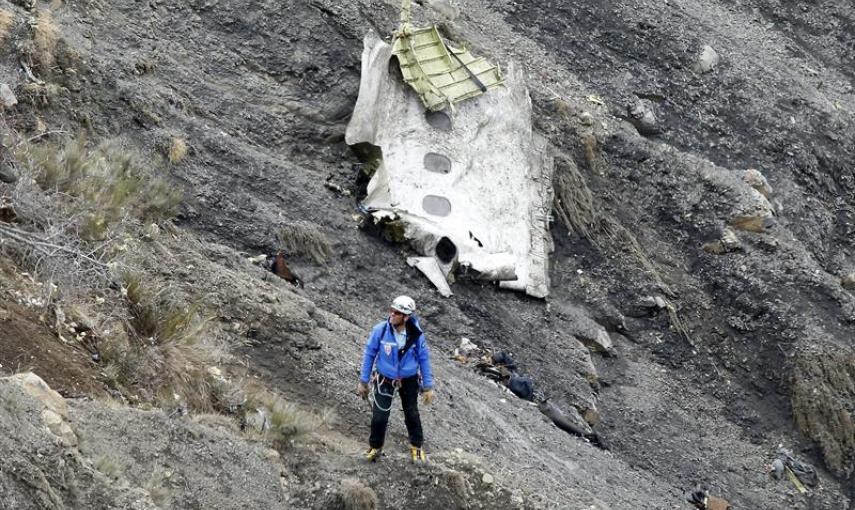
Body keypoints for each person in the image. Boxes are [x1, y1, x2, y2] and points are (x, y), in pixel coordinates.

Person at [357, 295, 434, 462]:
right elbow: (370, 354)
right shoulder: (381, 330)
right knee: (380, 416)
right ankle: (375, 447)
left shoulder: (416, 335)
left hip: (409, 379)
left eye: (396, 312)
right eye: (391, 310)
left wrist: (428, 386)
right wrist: (363, 382)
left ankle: (416, 447)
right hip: (385, 378)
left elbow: (423, 359)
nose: (391, 314)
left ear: (406, 317)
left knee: (411, 413)